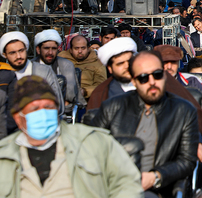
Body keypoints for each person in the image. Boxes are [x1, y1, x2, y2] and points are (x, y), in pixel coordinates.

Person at [0, 76, 143, 197]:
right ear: (18, 118)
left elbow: (127, 183)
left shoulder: (92, 141)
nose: (43, 113)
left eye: (49, 107)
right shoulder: (4, 155)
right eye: (34, 108)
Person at [90, 51, 199, 197]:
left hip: (154, 189)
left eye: (157, 74)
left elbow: (186, 161)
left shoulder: (184, 111)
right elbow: (91, 150)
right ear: (134, 81)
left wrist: (156, 176)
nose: (152, 81)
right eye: (143, 78)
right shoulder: (112, 107)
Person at [0, 31, 65, 117]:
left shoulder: (43, 71)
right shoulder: (3, 75)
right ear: (5, 55)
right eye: (13, 53)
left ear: (26, 49)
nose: (18, 56)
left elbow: (57, 104)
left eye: (21, 51)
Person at [32, 29, 86, 111]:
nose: (50, 52)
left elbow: (70, 95)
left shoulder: (66, 65)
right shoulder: (30, 66)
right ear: (38, 50)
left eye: (54, 48)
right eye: (46, 48)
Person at [58, 35, 106, 100]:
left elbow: (101, 85)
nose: (80, 51)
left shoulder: (97, 62)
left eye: (83, 48)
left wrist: (85, 91)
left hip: (87, 100)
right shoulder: (61, 59)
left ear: (88, 49)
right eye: (76, 48)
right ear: (71, 50)